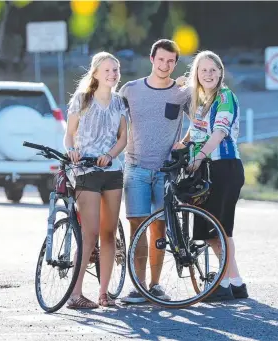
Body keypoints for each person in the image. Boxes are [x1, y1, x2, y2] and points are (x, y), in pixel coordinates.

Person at [119, 39, 190, 304]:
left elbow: (200, 121)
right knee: (137, 228)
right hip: (135, 168)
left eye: (171, 61)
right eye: (161, 60)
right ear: (152, 59)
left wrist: (183, 144)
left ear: (175, 63)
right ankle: (137, 287)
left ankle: (155, 285)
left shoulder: (183, 93)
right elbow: (113, 121)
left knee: (158, 229)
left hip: (165, 172)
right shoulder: (130, 90)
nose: (165, 65)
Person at [180, 50, 248, 301]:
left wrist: (198, 157)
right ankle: (236, 283)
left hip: (224, 166)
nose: (208, 74)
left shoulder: (225, 97)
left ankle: (222, 284)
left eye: (213, 69)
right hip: (207, 168)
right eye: (203, 70)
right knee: (212, 231)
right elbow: (195, 130)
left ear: (221, 72)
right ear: (196, 74)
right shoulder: (202, 99)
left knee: (220, 229)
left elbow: (219, 132)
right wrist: (180, 146)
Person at [64, 52, 128, 309]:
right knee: (88, 234)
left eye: (115, 70)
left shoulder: (120, 102)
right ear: (96, 73)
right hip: (86, 172)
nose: (112, 74)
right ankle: (75, 294)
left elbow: (123, 138)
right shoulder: (82, 100)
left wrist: (110, 155)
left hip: (112, 171)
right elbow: (69, 135)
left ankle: (104, 294)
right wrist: (72, 152)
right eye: (107, 70)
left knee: (109, 233)